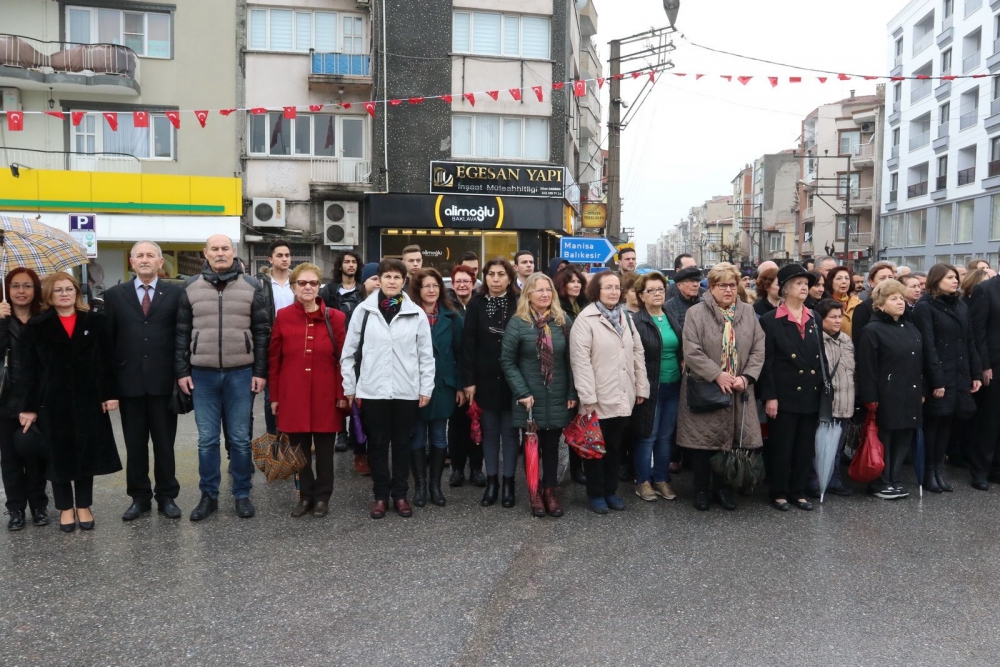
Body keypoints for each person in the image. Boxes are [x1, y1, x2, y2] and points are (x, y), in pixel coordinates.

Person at [176, 234, 269, 521]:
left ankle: (242, 494)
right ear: (205, 253)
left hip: (241, 374)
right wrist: (181, 371)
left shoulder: (252, 286)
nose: (219, 253)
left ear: (233, 252)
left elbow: (262, 332)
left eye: (224, 248)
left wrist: (260, 372)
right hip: (202, 375)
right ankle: (209, 496)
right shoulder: (190, 287)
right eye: (214, 249)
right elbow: (180, 333)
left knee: (240, 439)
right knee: (206, 440)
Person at [18, 272, 120, 532]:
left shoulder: (94, 321)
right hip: (52, 402)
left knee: (87, 453)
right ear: (49, 296)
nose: (64, 294)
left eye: (69, 289)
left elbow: (106, 362)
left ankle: (84, 505)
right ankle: (65, 507)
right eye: (58, 290)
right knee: (58, 456)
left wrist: (109, 394)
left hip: (88, 399)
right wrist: (28, 407)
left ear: (77, 292)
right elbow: (29, 370)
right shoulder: (38, 326)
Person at [342, 259, 434, 519]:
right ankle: (381, 496)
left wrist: (426, 387)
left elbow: (426, 355)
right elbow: (348, 353)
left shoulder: (416, 313)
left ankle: (401, 495)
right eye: (387, 277)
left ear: (404, 281)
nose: (392, 282)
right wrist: (350, 386)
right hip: (373, 390)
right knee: (378, 445)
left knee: (403, 444)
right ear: (378, 280)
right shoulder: (364, 311)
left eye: (397, 277)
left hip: (406, 390)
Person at [104, 241, 183, 522]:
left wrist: (181, 374)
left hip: (164, 383)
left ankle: (166, 496)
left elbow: (181, 337)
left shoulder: (176, 294)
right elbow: (107, 344)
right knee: (135, 445)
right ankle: (139, 498)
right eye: (140, 255)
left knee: (165, 443)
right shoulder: (114, 295)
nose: (145, 259)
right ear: (131, 262)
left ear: (161, 263)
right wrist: (109, 388)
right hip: (129, 383)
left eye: (151, 255)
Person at [677, 263, 765, 511]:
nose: (728, 289)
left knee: (731, 441)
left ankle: (724, 489)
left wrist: (746, 377)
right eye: (721, 285)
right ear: (711, 287)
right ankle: (701, 490)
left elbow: (759, 348)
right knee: (704, 444)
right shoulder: (695, 313)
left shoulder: (748, 312)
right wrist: (717, 375)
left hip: (738, 387)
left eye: (732, 284)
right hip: (706, 387)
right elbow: (691, 350)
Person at [269, 263, 347, 518]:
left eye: (313, 283)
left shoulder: (336, 317)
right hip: (293, 394)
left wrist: (341, 394)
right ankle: (305, 496)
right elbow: (275, 360)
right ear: (293, 287)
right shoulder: (283, 316)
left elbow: (343, 360)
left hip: (326, 394)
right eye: (302, 283)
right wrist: (276, 397)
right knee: (298, 451)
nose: (308, 287)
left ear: (319, 286)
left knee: (325, 452)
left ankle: (323, 497)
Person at [570, 271, 649, 514]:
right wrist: (588, 397)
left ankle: (610, 491)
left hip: (623, 392)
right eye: (608, 287)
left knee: (615, 447)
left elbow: (637, 353)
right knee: (595, 448)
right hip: (597, 397)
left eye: (617, 287)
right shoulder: (586, 319)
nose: (614, 291)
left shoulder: (625, 317)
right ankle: (595, 494)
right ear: (597, 291)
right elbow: (580, 361)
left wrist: (641, 386)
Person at [501, 272, 576, 517]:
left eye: (548, 290)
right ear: (528, 295)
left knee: (553, 446)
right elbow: (508, 361)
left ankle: (550, 491)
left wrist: (571, 391)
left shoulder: (562, 319)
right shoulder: (518, 322)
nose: (544, 294)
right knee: (532, 446)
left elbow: (571, 360)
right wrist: (521, 391)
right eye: (539, 290)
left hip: (557, 392)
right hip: (529, 395)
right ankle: (534, 493)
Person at [912, 264, 982, 494]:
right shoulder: (925, 307)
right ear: (936, 280)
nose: (955, 281)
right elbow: (928, 346)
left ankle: (939, 471)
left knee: (947, 424)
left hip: (958, 372)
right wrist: (937, 380)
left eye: (955, 277)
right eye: (949, 277)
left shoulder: (960, 305)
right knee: (934, 423)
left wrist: (975, 373)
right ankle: (928, 472)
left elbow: (969, 341)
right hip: (939, 374)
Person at [759, 265, 823, 512]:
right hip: (783, 393)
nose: (804, 287)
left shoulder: (814, 317)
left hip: (810, 392)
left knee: (805, 446)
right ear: (785, 289)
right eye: (798, 283)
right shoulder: (770, 320)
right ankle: (779, 492)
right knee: (782, 446)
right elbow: (767, 362)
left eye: (806, 283)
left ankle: (799, 491)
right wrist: (770, 396)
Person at [857, 279, 924, 499]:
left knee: (904, 436)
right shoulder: (872, 330)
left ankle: (894, 478)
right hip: (885, 393)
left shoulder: (911, 327)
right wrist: (870, 397)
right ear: (880, 304)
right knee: (883, 438)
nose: (900, 302)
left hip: (910, 390)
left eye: (901, 298)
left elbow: (918, 362)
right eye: (893, 298)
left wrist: (921, 390)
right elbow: (867, 368)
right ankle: (880, 481)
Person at [463, 258, 520, 507]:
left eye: (501, 274)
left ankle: (509, 484)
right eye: (491, 274)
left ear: (510, 277)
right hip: (484, 379)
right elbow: (468, 344)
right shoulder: (476, 303)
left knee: (509, 433)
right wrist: (469, 381)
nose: (495, 279)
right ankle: (492, 482)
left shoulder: (518, 302)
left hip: (513, 379)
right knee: (489, 433)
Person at [406, 268, 463, 508]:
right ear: (418, 290)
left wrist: (460, 385)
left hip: (443, 385)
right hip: (413, 385)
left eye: (435, 286)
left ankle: (435, 487)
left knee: (440, 435)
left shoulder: (452, 316)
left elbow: (462, 354)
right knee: (417, 436)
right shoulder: (408, 314)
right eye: (426, 286)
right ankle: (419, 487)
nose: (431, 290)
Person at [0, 268, 47, 530]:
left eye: (27, 286)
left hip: (37, 399)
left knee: (35, 454)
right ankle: (16, 508)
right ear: (7, 289)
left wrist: (34, 405)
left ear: (35, 289)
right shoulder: (2, 318)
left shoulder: (44, 320)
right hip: (6, 399)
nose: (21, 291)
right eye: (15, 286)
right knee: (10, 458)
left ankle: (39, 505)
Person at [630, 272, 682, 502]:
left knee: (666, 436)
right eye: (651, 290)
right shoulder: (636, 321)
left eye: (660, 289)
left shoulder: (670, 315)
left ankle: (661, 479)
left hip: (674, 385)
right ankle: (643, 481)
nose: (657, 293)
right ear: (641, 295)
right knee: (647, 436)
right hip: (650, 387)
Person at [320, 250, 362, 453]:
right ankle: (341, 433)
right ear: (340, 265)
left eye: (354, 262)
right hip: (336, 344)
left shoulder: (363, 289)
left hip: (360, 346)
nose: (351, 265)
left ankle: (356, 432)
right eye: (347, 262)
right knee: (339, 390)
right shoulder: (329, 290)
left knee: (357, 389)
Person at [446, 267, 483, 488]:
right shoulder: (448, 308)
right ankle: (457, 468)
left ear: (473, 283)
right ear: (452, 284)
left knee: (479, 424)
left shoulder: (480, 304)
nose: (462, 285)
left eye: (466, 281)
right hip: (456, 377)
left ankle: (477, 468)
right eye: (458, 281)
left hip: (480, 376)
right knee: (458, 426)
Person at [815, 298, 855, 496]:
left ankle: (834, 479)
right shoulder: (815, 340)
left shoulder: (846, 340)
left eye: (840, 316)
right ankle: (817, 480)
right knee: (820, 444)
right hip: (825, 403)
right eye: (832, 317)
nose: (838, 321)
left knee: (838, 445)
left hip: (846, 402)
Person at [256, 241, 294, 437]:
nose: (285, 259)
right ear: (270, 259)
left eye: (287, 255)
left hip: (295, 342)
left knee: (294, 391)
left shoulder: (297, 283)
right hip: (270, 343)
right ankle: (273, 435)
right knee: (271, 394)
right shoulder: (260, 284)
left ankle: (293, 433)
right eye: (280, 255)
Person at [968, 266, 1000, 490]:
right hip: (994, 366)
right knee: (989, 421)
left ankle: (997, 468)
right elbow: (977, 331)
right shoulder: (985, 290)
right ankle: (980, 470)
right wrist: (984, 366)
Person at [851, 261, 896, 342]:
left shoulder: (902, 304)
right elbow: (860, 340)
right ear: (871, 282)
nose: (887, 281)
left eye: (890, 277)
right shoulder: (863, 308)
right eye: (882, 278)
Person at [825, 266, 862, 338]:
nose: (844, 281)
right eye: (839, 278)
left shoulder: (858, 303)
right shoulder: (825, 304)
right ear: (830, 281)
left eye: (847, 278)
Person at [665, 266, 703, 331]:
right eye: (691, 281)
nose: (696, 284)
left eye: (698, 281)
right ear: (679, 285)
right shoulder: (669, 307)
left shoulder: (705, 303)